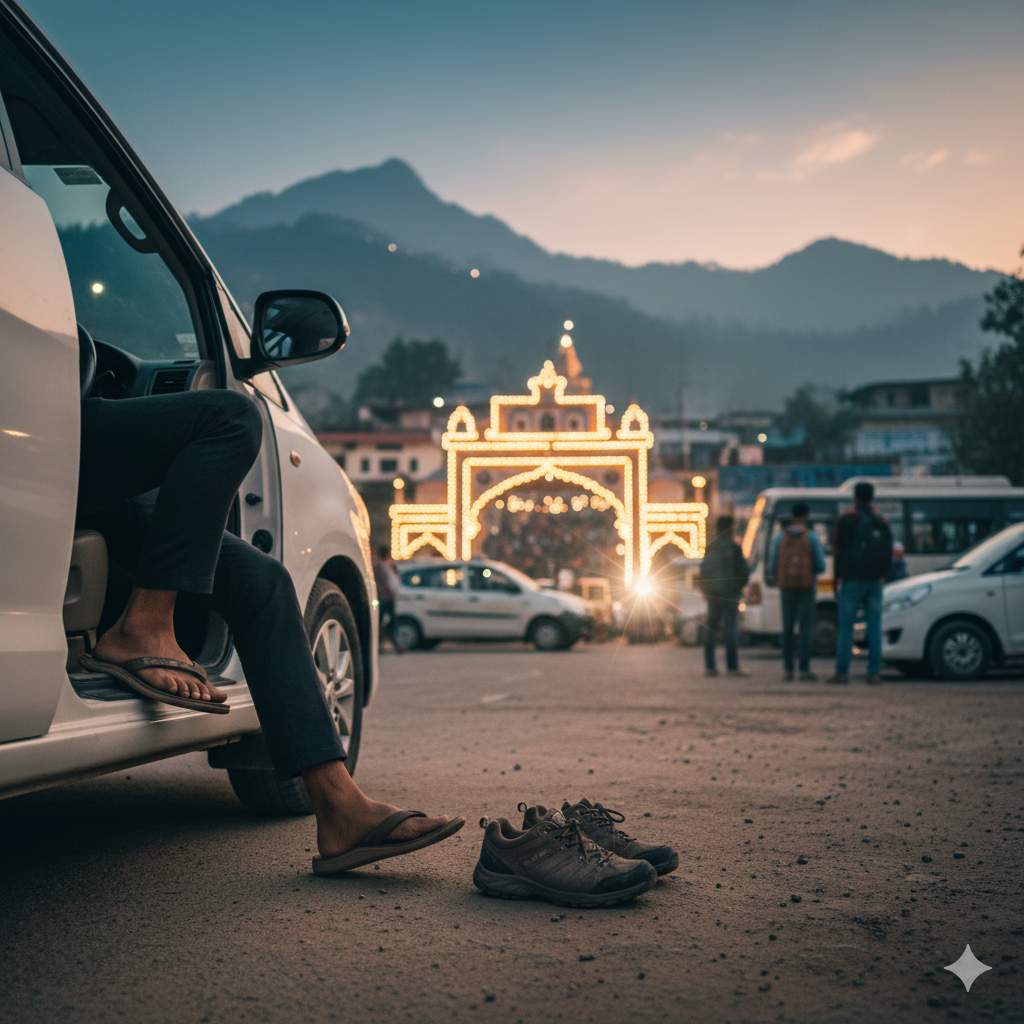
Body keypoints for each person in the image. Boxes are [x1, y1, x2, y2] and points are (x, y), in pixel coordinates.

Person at [76, 388, 462, 873]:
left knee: (266, 581)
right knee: (232, 414)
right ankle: (145, 626)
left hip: (85, 464)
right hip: (41, 432)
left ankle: (339, 808)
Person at [829, 481, 893, 686]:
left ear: (855, 497)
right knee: (874, 626)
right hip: (875, 581)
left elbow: (837, 550)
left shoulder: (846, 519)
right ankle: (873, 673)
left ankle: (842, 673)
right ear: (872, 497)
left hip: (851, 580)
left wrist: (836, 579)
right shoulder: (881, 520)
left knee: (846, 627)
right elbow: (889, 552)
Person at [768, 502, 826, 681]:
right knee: (805, 628)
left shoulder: (780, 537)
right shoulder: (812, 537)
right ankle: (804, 669)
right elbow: (821, 565)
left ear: (792, 516)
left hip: (786, 588)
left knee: (787, 628)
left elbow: (772, 566)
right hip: (806, 588)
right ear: (806, 516)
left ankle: (788, 669)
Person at [698, 515, 750, 677]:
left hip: (713, 593)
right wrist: (738, 588)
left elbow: (702, 572)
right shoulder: (734, 547)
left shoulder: (710, 547)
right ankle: (732, 667)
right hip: (730, 593)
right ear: (729, 528)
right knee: (730, 627)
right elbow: (743, 572)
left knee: (711, 628)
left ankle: (709, 665)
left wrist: (706, 590)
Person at [373, 545, 405, 653]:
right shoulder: (388, 566)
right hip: (388, 598)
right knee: (392, 621)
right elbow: (392, 582)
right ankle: (394, 643)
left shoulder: (376, 566)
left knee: (380, 621)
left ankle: (380, 644)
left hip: (379, 597)